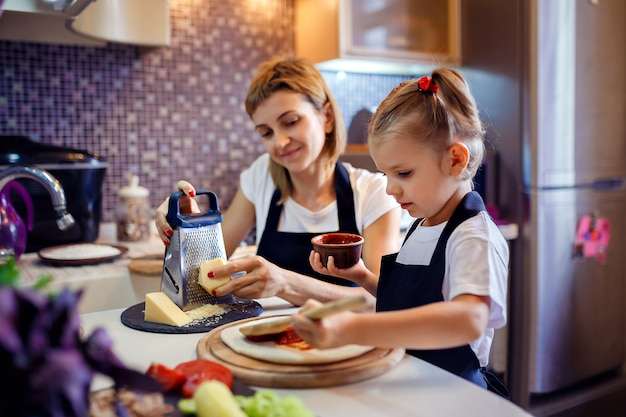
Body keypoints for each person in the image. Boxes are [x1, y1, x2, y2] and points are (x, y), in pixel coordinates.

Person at [295, 68, 510, 397]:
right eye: (385, 174)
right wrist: (363, 277)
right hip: (412, 383)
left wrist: (352, 328)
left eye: (404, 173)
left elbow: (468, 318)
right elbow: (413, 302)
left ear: (455, 160)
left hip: (453, 394)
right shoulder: (424, 222)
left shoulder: (472, 236)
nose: (391, 189)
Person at [155, 56, 401, 307]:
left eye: (291, 122)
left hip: (343, 341)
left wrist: (286, 283)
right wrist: (191, 228)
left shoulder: (373, 193)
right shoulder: (260, 176)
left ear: (326, 117)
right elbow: (207, 268)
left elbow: (384, 297)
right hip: (263, 339)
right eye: (266, 133)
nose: (280, 142)